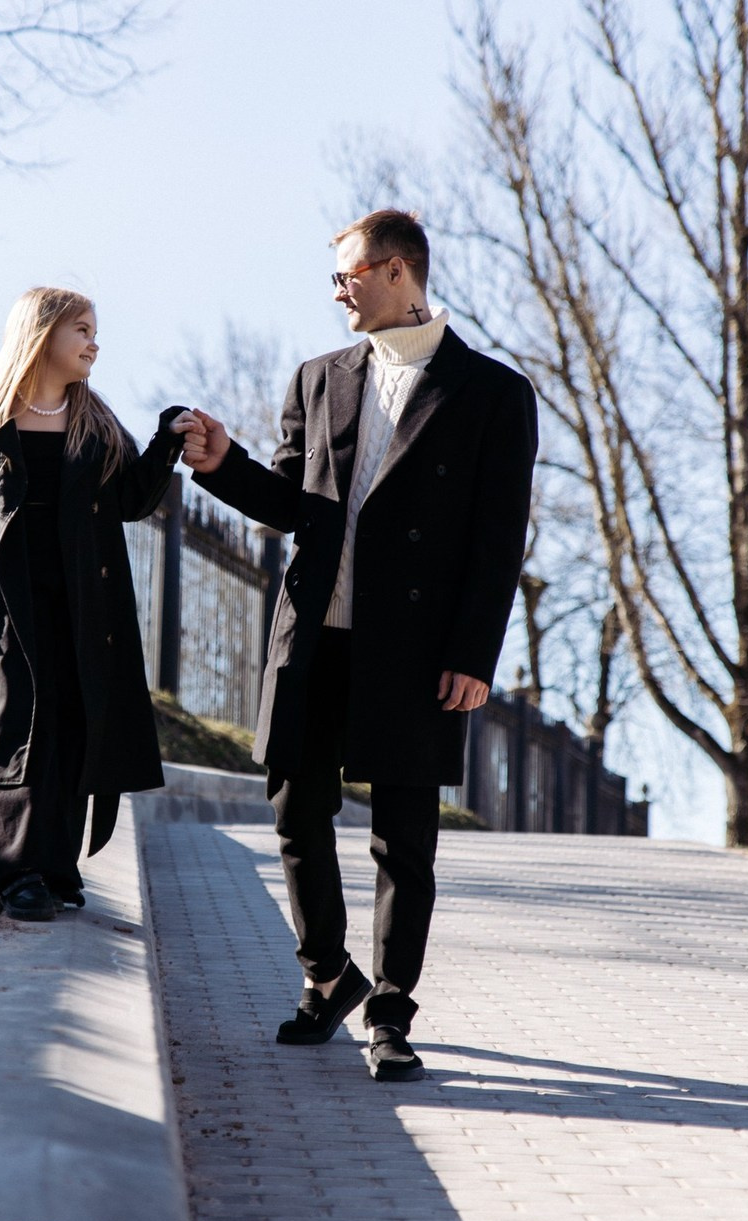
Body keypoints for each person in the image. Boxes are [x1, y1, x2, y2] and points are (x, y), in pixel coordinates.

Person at [179, 210, 537, 1082]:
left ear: (399, 272)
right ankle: (328, 975)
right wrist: (223, 464)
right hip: (313, 638)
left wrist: (473, 656)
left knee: (402, 839)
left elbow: (498, 541)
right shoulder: (318, 379)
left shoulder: (492, 392)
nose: (337, 289)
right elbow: (294, 507)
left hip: (417, 651)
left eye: (349, 273)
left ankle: (390, 1010)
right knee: (296, 813)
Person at [0, 286, 187, 921]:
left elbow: (131, 502)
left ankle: (56, 866)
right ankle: (17, 875)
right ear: (41, 337)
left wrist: (166, 441)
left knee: (70, 722)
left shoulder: (95, 424)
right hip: (2, 606)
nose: (95, 343)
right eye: (82, 331)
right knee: (16, 729)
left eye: (95, 331)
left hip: (85, 604)